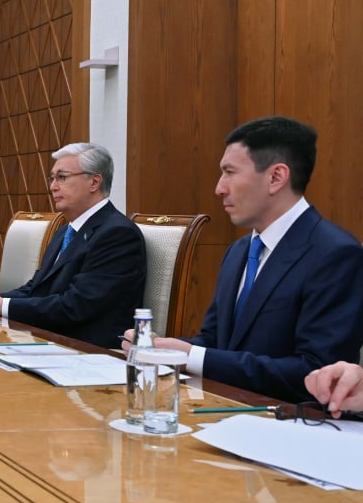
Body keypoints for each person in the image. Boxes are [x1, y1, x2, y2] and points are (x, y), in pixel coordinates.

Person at [124, 117, 363, 402]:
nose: (219, 188)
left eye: (230, 172)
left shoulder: (336, 254)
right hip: (223, 410)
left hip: (288, 420)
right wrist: (163, 348)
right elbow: (215, 342)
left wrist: (192, 356)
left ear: (276, 177)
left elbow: (317, 373)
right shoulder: (239, 250)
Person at [0, 143, 146, 346]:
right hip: (51, 339)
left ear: (94, 182)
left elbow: (76, 306)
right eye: (52, 178)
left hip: (90, 350)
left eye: (62, 177)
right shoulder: (65, 231)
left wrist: (3, 305)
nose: (53, 186)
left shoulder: (117, 234)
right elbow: (37, 288)